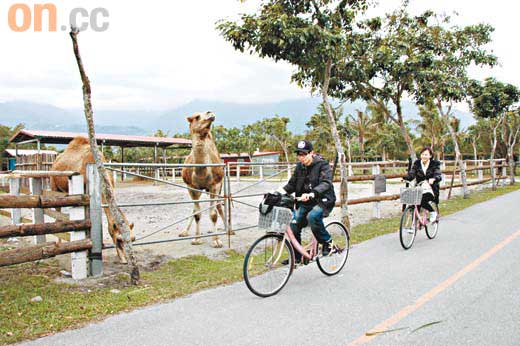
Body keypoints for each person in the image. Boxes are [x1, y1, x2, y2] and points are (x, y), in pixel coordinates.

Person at [278, 140, 336, 263]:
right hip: (306, 202)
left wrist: (312, 193)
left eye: (304, 154)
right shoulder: (300, 167)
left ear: (312, 153)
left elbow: (326, 183)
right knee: (293, 223)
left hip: (322, 201)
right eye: (299, 154)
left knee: (313, 216)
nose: (301, 157)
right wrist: (278, 192)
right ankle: (297, 256)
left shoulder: (322, 165)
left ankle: (327, 243)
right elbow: (292, 184)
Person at [403, 146, 442, 223]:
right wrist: (406, 178)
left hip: (431, 189)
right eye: (423, 154)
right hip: (419, 188)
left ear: (430, 156)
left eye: (426, 154)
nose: (424, 156)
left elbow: (438, 174)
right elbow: (412, 173)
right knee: (414, 201)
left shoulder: (434, 164)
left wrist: (434, 179)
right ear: (420, 155)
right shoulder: (417, 163)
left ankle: (432, 212)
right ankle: (414, 225)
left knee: (421, 200)